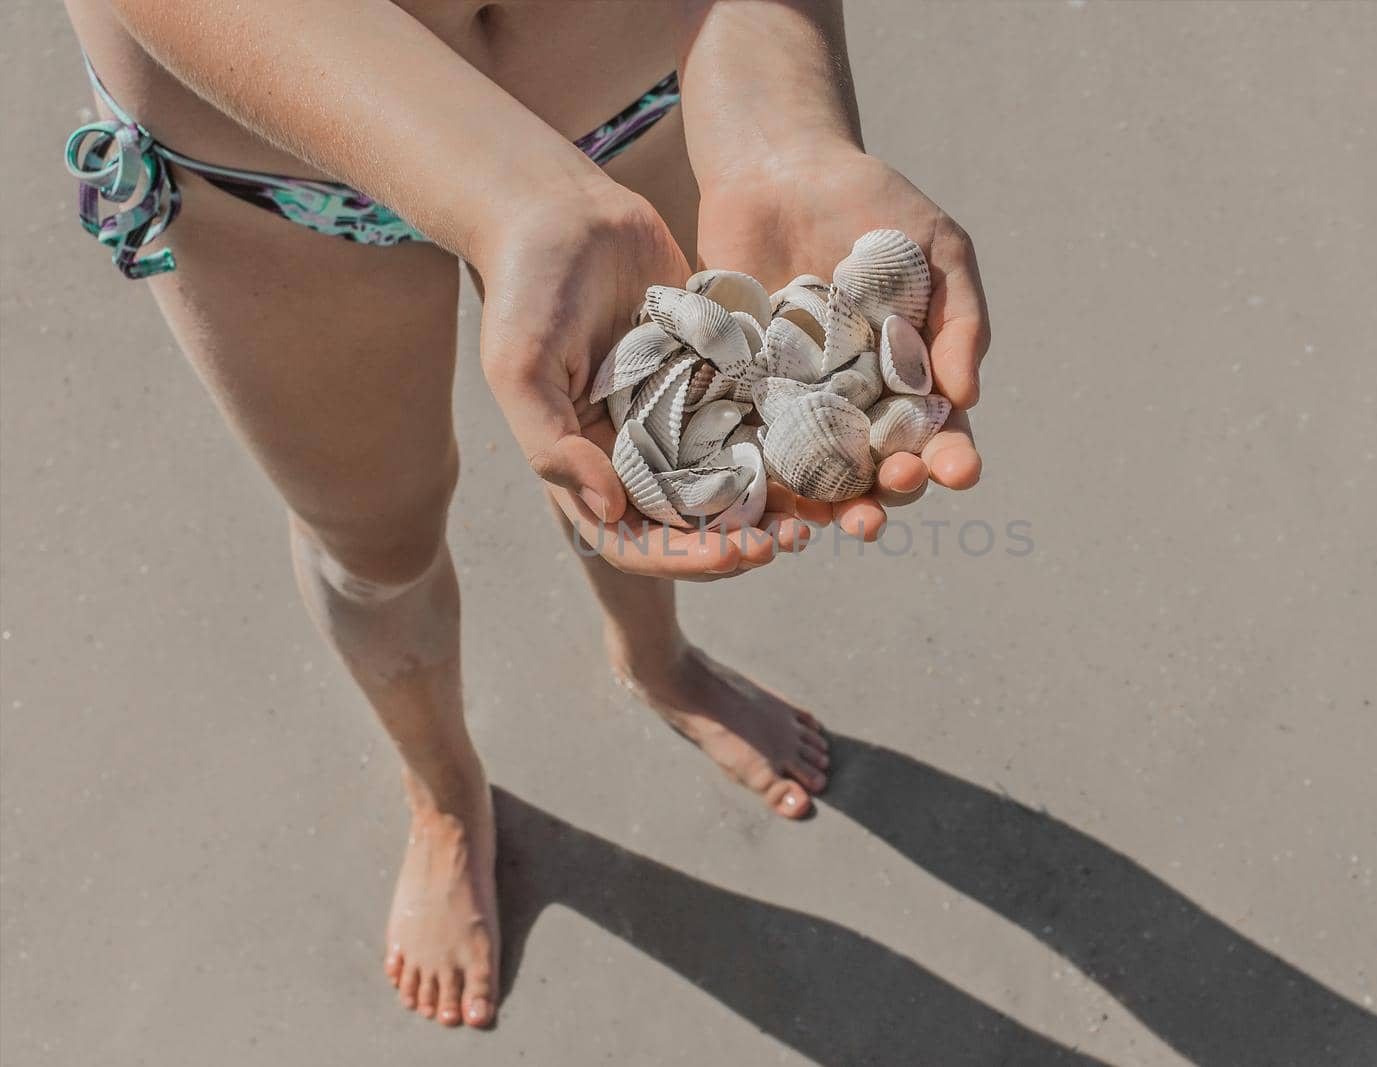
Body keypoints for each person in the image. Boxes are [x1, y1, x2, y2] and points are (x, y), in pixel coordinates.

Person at [63, 0, 988, 1031]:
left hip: (646, 87)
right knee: (376, 544)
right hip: (277, 172)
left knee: (635, 468)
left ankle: (655, 660)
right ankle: (445, 790)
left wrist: (779, 88)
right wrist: (507, 194)